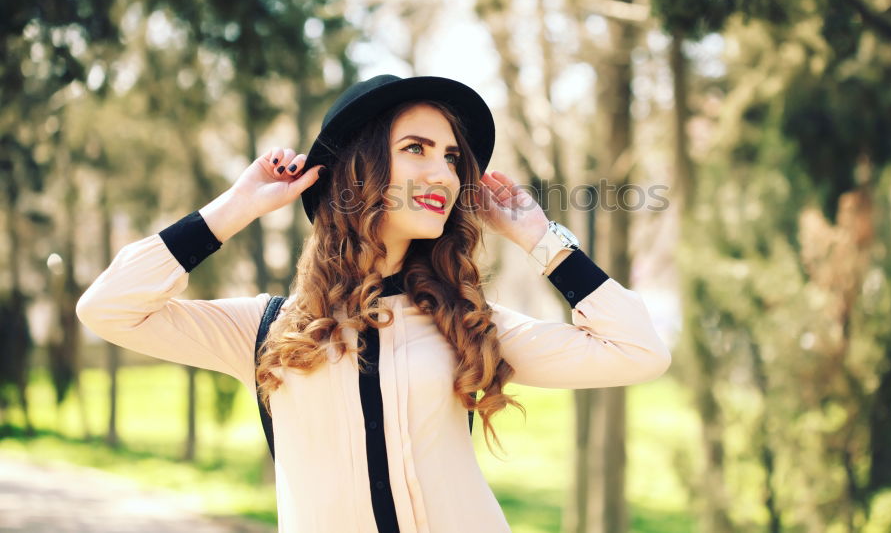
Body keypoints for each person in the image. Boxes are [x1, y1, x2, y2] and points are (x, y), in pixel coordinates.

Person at [76, 74, 671, 533]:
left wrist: (541, 238)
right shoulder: (263, 332)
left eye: (452, 157)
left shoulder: (468, 324)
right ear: (360, 167)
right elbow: (108, 307)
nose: (442, 171)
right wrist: (235, 209)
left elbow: (639, 352)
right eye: (416, 147)